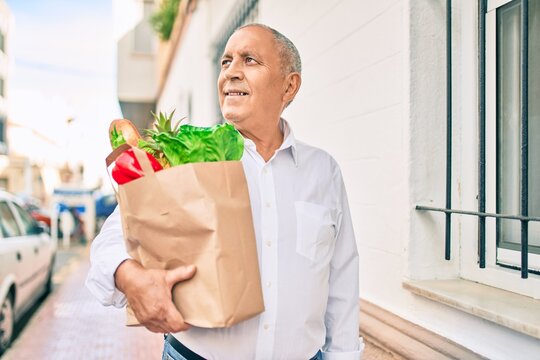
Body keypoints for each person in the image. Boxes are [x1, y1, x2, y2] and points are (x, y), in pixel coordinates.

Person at [86, 23, 364, 360]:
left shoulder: (324, 171)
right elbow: (113, 239)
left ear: (289, 86)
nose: (231, 72)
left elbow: (342, 282)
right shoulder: (186, 155)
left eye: (249, 60)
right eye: (225, 62)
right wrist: (128, 276)